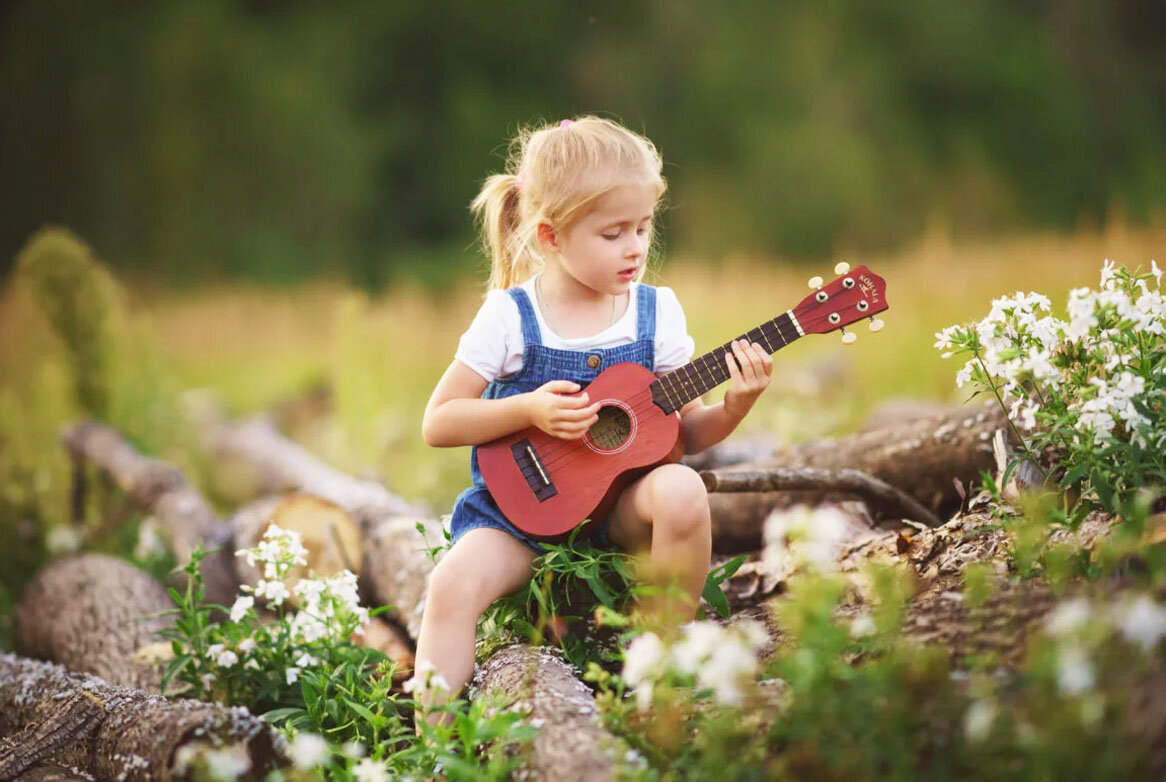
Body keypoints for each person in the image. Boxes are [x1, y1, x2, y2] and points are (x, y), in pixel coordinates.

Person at [414, 116, 773, 719]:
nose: (635, 247)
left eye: (644, 226)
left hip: (619, 518)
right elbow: (438, 422)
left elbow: (687, 433)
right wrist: (528, 409)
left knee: (683, 488)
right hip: (520, 520)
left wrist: (736, 405)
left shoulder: (657, 315)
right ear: (551, 237)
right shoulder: (510, 317)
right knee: (449, 586)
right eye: (613, 233)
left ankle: (659, 675)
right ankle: (435, 742)